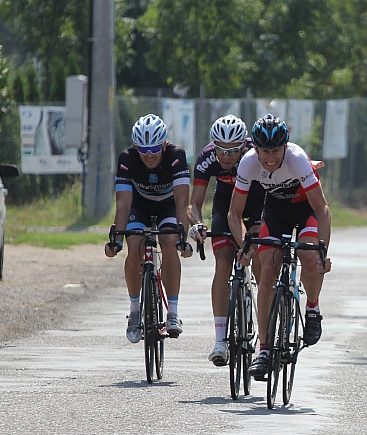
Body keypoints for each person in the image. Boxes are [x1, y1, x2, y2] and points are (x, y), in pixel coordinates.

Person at [228, 114, 331, 380]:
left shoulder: (297, 159)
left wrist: (322, 251)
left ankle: (312, 309)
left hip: (306, 210)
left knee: (308, 257)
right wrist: (245, 245)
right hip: (275, 213)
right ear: (256, 149)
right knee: (267, 274)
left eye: (275, 151)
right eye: (265, 151)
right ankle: (263, 350)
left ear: (285, 147)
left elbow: (322, 209)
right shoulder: (248, 163)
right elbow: (234, 214)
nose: (270, 157)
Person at [104, 114, 193, 342]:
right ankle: (135, 310)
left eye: (154, 148)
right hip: (139, 206)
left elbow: (182, 202)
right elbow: (123, 204)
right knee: (134, 244)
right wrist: (117, 240)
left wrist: (183, 235)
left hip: (168, 206)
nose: (150, 155)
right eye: (144, 150)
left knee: (169, 241)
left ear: (164, 144)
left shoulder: (176, 156)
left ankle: (172, 312)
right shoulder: (127, 158)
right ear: (136, 147)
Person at [188, 115, 266, 366]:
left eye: (232, 151)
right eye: (221, 149)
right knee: (222, 262)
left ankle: (265, 317)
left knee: (259, 258)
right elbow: (194, 205)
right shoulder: (207, 157)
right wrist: (198, 224)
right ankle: (220, 340)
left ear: (243, 146)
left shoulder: (255, 154)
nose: (226, 156)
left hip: (256, 200)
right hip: (225, 201)